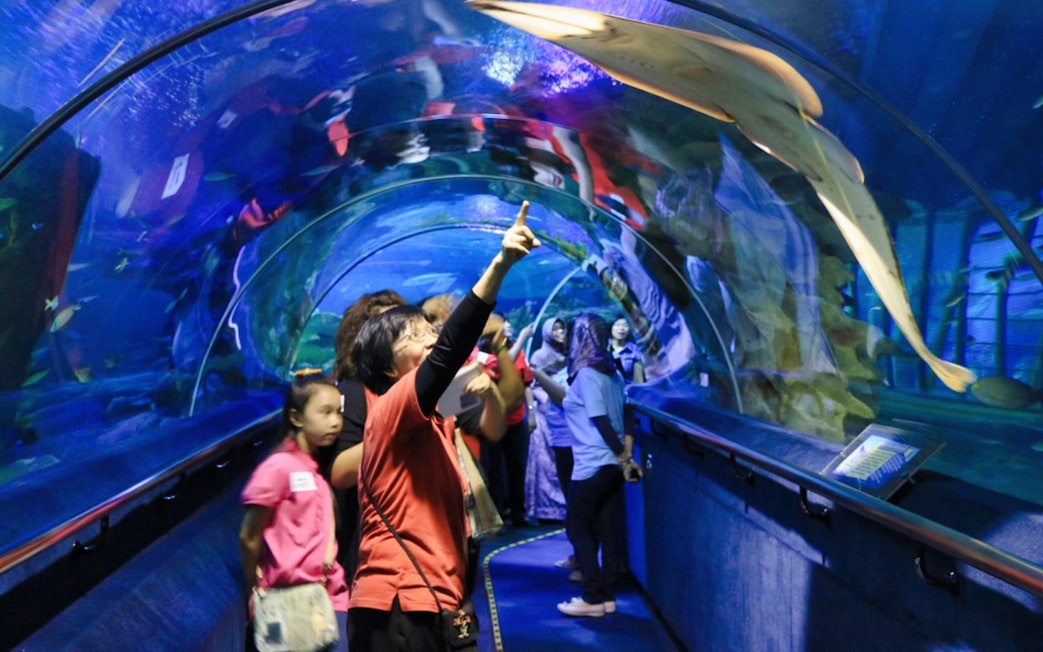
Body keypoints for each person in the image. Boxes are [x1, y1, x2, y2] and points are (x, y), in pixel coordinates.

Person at [347, 203, 538, 651]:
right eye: (413, 336)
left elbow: (500, 407)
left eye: (427, 329)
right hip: (397, 601)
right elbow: (450, 350)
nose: (430, 337)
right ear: (389, 368)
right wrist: (500, 264)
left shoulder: (433, 415)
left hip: (437, 596)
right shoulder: (393, 408)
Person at [239, 370, 350, 650]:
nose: (335, 421)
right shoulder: (278, 467)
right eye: (324, 412)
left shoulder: (311, 468)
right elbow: (249, 536)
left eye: (338, 412)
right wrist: (254, 587)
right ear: (296, 417)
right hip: (289, 601)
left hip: (328, 596)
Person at [319, 289, 407, 583]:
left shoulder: (420, 390)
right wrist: (397, 419)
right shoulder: (351, 393)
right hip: (368, 542)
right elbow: (341, 472)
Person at [557, 315, 641, 618]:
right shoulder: (613, 370)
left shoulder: (587, 374)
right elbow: (628, 410)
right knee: (608, 529)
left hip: (593, 463)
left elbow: (599, 419)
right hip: (612, 464)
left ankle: (592, 597)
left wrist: (622, 455)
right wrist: (626, 450)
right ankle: (608, 597)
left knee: (577, 525)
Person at [609, 316, 645, 383]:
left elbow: (639, 381)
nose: (621, 328)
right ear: (611, 327)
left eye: (625, 325)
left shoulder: (634, 350)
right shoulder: (604, 346)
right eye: (617, 325)